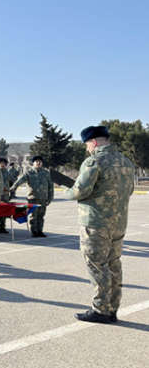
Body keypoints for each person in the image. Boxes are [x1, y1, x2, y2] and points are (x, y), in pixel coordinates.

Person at [63, 125, 134, 323]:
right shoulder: (126, 162)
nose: (87, 149)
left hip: (95, 223)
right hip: (119, 223)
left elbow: (80, 191)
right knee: (114, 264)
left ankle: (100, 309)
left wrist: (67, 191)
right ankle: (112, 309)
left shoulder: (94, 161)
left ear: (93, 142)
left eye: (87, 145)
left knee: (97, 266)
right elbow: (128, 191)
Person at [9, 155, 55, 237]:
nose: (38, 163)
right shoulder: (29, 173)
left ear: (42, 163)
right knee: (33, 215)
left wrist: (50, 197)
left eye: (40, 162)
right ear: (33, 163)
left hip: (43, 198)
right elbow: (20, 181)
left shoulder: (46, 173)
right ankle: (34, 231)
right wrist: (12, 188)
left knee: (41, 215)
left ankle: (40, 230)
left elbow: (50, 186)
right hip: (32, 198)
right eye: (36, 161)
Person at [0, 157, 13, 234]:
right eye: (0, 163)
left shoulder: (8, 173)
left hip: (5, 196)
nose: (2, 165)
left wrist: (11, 194)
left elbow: (12, 184)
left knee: (4, 212)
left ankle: (2, 227)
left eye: (4, 164)